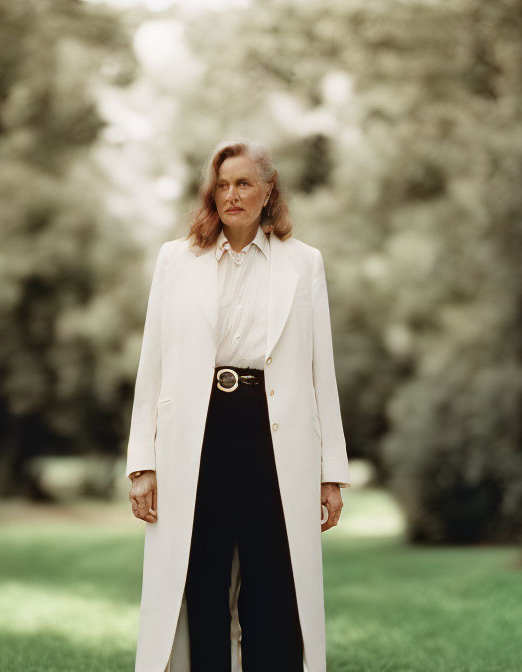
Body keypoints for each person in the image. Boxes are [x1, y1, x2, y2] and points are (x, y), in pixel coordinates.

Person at [126, 138, 351, 672]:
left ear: (268, 190)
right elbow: (151, 364)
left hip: (273, 436)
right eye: (223, 184)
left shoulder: (304, 264)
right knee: (200, 578)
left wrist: (330, 473)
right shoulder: (175, 260)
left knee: (271, 582)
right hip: (198, 434)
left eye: (244, 183)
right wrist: (143, 463)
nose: (231, 194)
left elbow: (323, 374)